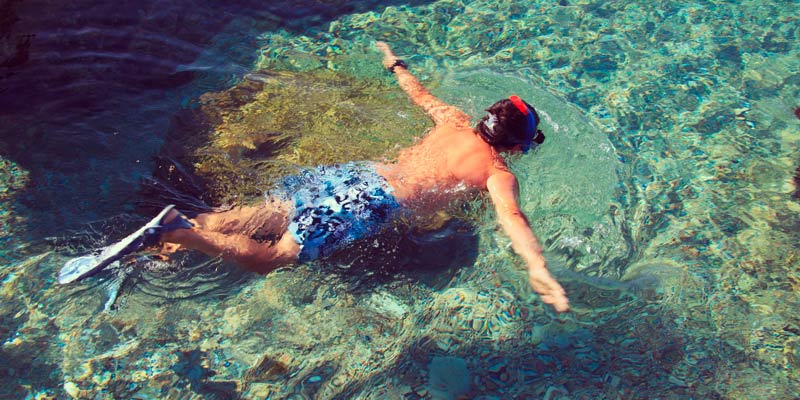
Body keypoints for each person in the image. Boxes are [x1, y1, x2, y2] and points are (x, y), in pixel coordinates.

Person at [59, 42, 569, 313]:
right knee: (274, 257)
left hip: (354, 174)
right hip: (371, 201)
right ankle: (180, 234)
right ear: (516, 145)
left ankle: (157, 248)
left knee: (252, 215)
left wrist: (394, 61)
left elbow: (416, 91)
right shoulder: (496, 172)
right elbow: (514, 218)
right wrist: (537, 267)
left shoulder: (454, 119)